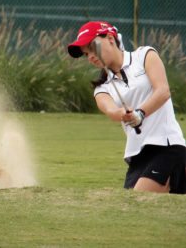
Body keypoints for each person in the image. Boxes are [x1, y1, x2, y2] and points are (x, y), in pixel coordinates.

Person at [67, 21, 186, 194]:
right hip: (138, 156)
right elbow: (110, 110)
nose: (91, 56)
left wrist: (140, 113)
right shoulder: (102, 88)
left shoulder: (145, 55)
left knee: (138, 203)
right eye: (86, 54)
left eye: (92, 48)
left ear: (109, 38)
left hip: (166, 145)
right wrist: (122, 113)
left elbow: (163, 91)